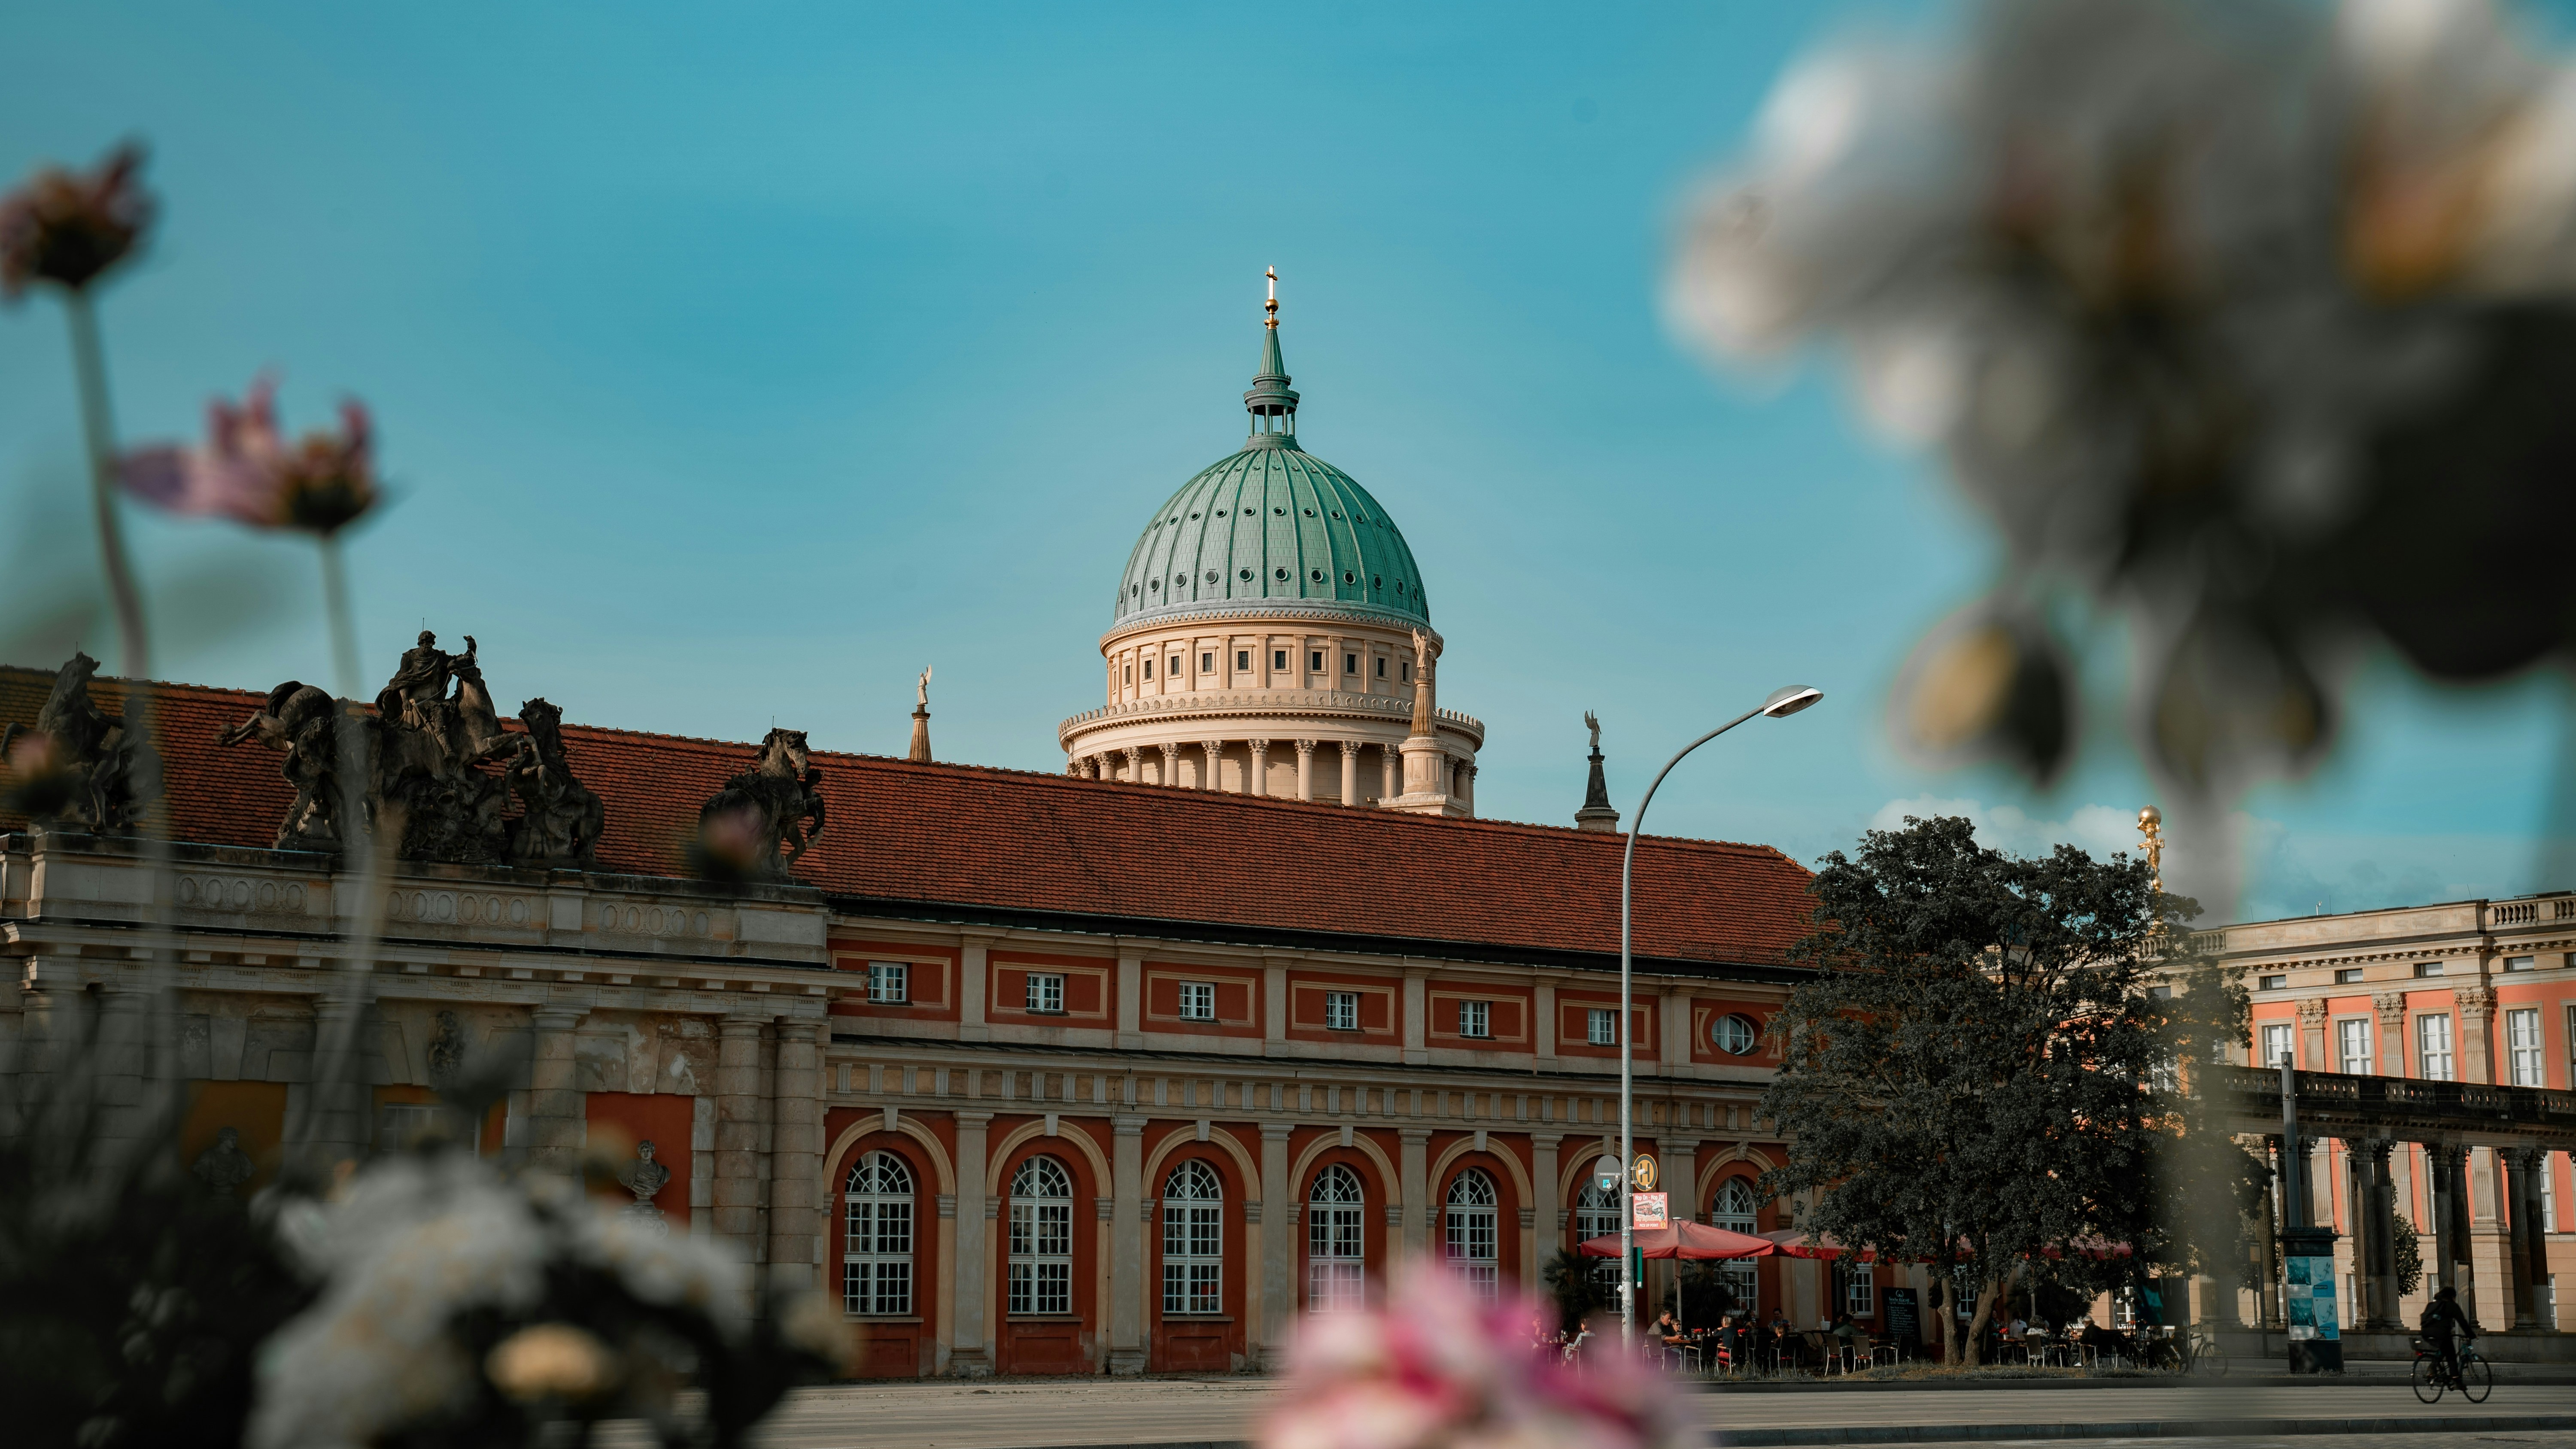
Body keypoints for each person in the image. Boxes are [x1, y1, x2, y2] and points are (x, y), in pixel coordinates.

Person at [2421, 1285, 2475, 1387]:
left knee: (2443, 1350)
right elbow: (2462, 1322)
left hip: (2426, 1332)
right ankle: (2456, 1381)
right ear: (2452, 1297)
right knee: (2451, 1354)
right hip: (2440, 1333)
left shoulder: (2433, 1304)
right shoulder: (2451, 1305)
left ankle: (2432, 1369)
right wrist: (2471, 1335)